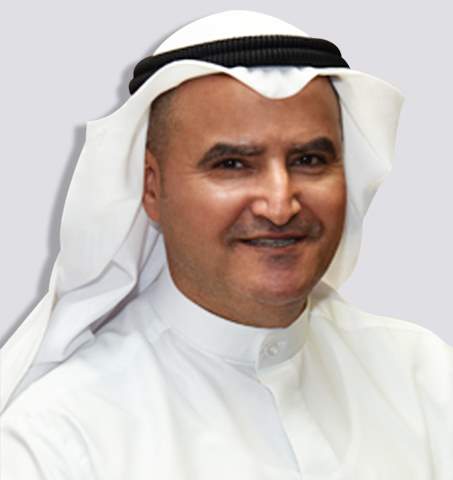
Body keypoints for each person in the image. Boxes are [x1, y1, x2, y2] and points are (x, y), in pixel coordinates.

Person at [1, 10, 452, 479]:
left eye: (309, 160)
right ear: (152, 187)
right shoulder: (58, 442)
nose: (280, 205)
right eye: (233, 164)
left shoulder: (426, 380)